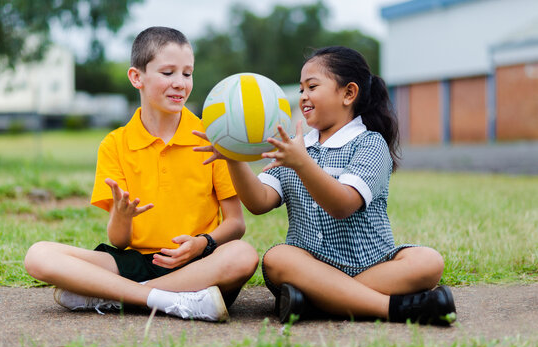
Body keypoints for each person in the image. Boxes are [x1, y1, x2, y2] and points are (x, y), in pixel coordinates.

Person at [194, 46, 456, 325]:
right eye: (301, 89)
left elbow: (342, 205)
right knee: (277, 258)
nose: (303, 97)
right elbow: (259, 203)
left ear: (348, 93)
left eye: (312, 87)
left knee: (428, 261)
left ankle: (319, 300)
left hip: (373, 265)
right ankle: (390, 307)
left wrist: (302, 163)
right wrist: (233, 159)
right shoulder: (296, 147)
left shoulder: (370, 144)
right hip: (307, 267)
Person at [24, 27, 259, 322]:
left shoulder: (212, 138)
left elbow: (236, 224)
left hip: (198, 265)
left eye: (187, 74)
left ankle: (117, 295)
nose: (180, 84)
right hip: (136, 262)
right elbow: (119, 241)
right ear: (137, 77)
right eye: (168, 72)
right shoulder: (115, 144)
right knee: (38, 255)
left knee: (243, 255)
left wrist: (202, 243)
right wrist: (122, 217)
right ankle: (166, 300)